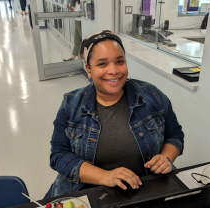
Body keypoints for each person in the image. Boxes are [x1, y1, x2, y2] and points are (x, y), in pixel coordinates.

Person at [45, 30, 185, 198]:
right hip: (88, 193)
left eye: (119, 61)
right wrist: (105, 176)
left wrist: (166, 157)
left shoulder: (152, 95)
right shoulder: (71, 105)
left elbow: (175, 134)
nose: (113, 70)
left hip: (147, 188)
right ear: (88, 69)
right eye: (102, 64)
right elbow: (59, 156)